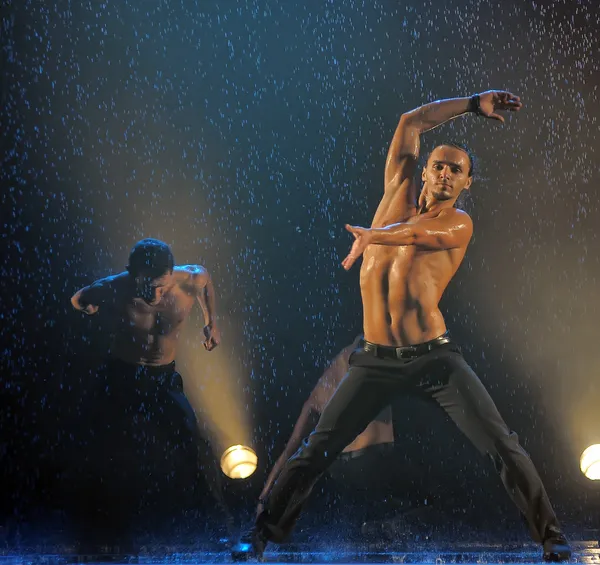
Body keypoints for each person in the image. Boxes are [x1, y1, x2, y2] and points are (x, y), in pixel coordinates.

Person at [233, 91, 571, 562]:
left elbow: (415, 234)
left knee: (502, 444)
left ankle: (553, 538)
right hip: (375, 359)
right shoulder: (396, 190)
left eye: (457, 170)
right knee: (315, 450)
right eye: (440, 165)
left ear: (467, 182)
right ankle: (259, 536)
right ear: (426, 169)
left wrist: (375, 235)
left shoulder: (458, 223)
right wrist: (474, 104)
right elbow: (412, 120)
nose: (447, 174)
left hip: (433, 357)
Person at [70, 238, 229, 548]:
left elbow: (206, 279)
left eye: (163, 287)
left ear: (171, 275)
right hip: (122, 376)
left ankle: (218, 524)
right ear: (133, 275)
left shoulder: (189, 279)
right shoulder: (116, 286)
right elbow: (78, 298)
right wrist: (87, 307)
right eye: (149, 287)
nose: (157, 295)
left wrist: (212, 321)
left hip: (162, 378)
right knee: (103, 450)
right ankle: (97, 529)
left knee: (194, 446)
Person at [257, 335, 394, 517]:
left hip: (341, 468)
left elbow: (290, 451)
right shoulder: (362, 352)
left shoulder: (317, 396)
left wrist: (264, 497)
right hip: (375, 459)